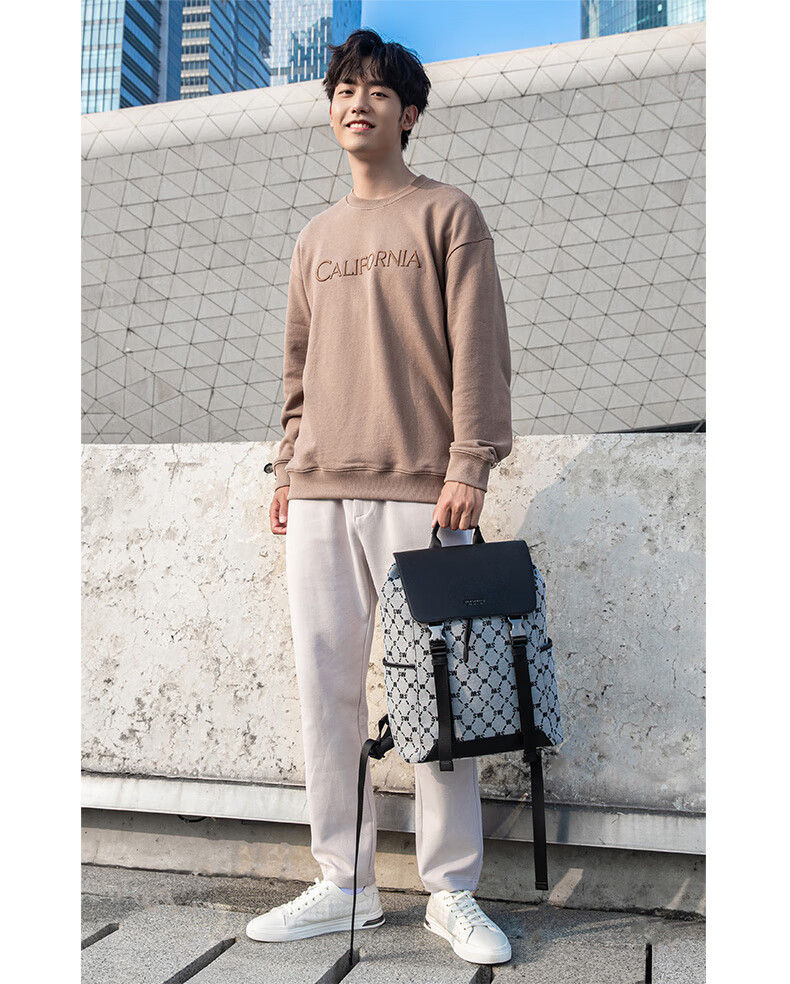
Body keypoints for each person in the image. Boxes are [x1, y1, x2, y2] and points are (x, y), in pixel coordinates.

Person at [245, 28, 514, 966]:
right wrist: (287, 467)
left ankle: (451, 890)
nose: (357, 103)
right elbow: (298, 372)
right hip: (320, 491)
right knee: (326, 691)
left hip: (423, 492)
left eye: (377, 91)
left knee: (438, 692)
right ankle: (345, 886)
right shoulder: (315, 239)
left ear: (410, 113)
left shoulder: (448, 215)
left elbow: (480, 351)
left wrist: (470, 463)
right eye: (343, 90)